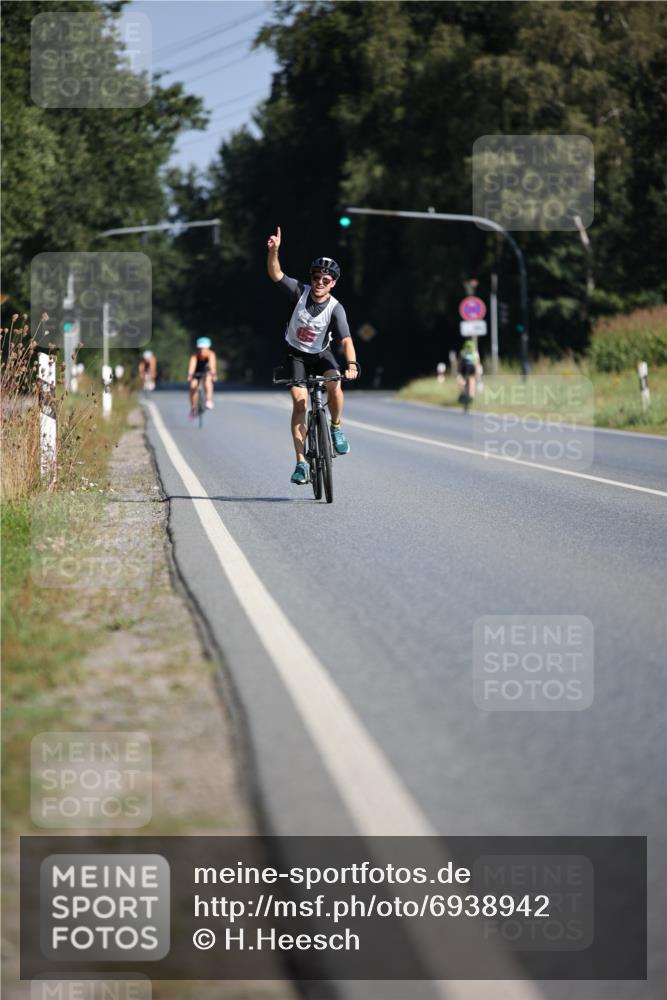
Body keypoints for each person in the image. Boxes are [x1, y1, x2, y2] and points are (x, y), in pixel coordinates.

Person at [266, 226, 358, 485]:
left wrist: (351, 364)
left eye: (326, 280)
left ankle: (336, 427)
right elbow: (275, 274)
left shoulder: (336, 308)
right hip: (295, 355)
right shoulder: (299, 291)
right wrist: (274, 251)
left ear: (333, 283)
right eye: (317, 277)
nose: (320, 283)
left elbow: (346, 339)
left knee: (335, 384)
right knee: (299, 403)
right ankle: (301, 463)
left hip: (321, 354)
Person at [187, 337, 217, 415]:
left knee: (208, 382)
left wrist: (213, 374)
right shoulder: (195, 355)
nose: (202, 350)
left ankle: (209, 400)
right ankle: (193, 406)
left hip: (206, 371)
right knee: (193, 386)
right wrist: (190, 375)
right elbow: (192, 366)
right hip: (197, 371)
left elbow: (212, 366)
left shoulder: (211, 354)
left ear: (208, 348)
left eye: (204, 348)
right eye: (200, 348)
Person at [457, 338, 481, 406]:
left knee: (461, 381)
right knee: (472, 381)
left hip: (464, 370)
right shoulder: (475, 353)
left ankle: (463, 393)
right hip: (472, 369)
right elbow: (477, 364)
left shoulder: (462, 352)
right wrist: (477, 375)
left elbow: (460, 363)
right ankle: (471, 396)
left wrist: (459, 372)